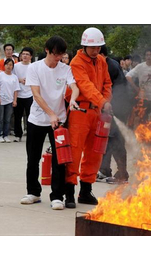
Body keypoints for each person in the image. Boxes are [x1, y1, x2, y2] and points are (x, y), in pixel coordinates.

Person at [20, 36, 79, 210]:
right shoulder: (34, 68)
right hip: (37, 120)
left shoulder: (65, 69)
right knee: (33, 158)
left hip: (59, 122)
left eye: (61, 55)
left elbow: (74, 87)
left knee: (60, 160)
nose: (58, 58)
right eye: (55, 54)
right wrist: (51, 113)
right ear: (47, 50)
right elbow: (36, 95)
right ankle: (33, 192)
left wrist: (73, 100)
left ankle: (57, 196)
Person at [64, 27, 112, 208]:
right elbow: (85, 86)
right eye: (93, 47)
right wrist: (102, 102)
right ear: (84, 46)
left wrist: (107, 101)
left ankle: (86, 190)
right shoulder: (76, 63)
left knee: (95, 152)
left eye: (99, 47)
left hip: (97, 112)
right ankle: (69, 192)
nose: (96, 50)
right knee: (74, 152)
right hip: (80, 112)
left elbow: (107, 82)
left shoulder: (101, 60)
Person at [97, 45, 130, 184]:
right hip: (115, 106)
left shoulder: (109, 66)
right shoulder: (110, 64)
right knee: (108, 139)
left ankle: (121, 174)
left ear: (102, 54)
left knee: (115, 140)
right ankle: (105, 170)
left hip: (117, 108)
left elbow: (105, 88)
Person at [12, 47, 34, 142]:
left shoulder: (33, 66)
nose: (24, 56)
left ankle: (30, 134)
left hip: (30, 94)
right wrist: (19, 80)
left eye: (27, 54)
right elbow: (11, 77)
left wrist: (28, 81)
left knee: (30, 116)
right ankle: (18, 134)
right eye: (23, 54)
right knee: (18, 116)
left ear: (31, 56)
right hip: (19, 94)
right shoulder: (16, 66)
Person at [0, 59, 20, 143]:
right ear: (4, 65)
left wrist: (15, 100)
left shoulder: (14, 77)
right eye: (7, 64)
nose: (9, 66)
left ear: (13, 67)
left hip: (10, 101)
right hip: (1, 100)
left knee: (7, 119)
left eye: (11, 65)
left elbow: (16, 90)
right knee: (0, 119)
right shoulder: (0, 75)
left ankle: (6, 135)